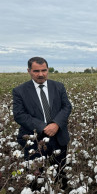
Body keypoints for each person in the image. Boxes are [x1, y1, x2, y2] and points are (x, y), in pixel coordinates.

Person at [13, 57, 72, 190]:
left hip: (59, 138)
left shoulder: (58, 86)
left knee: (61, 175)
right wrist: (43, 127)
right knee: (36, 178)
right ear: (29, 71)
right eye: (36, 71)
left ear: (47, 70)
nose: (41, 74)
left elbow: (66, 107)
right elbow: (19, 115)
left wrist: (56, 124)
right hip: (34, 141)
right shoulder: (20, 91)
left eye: (44, 70)